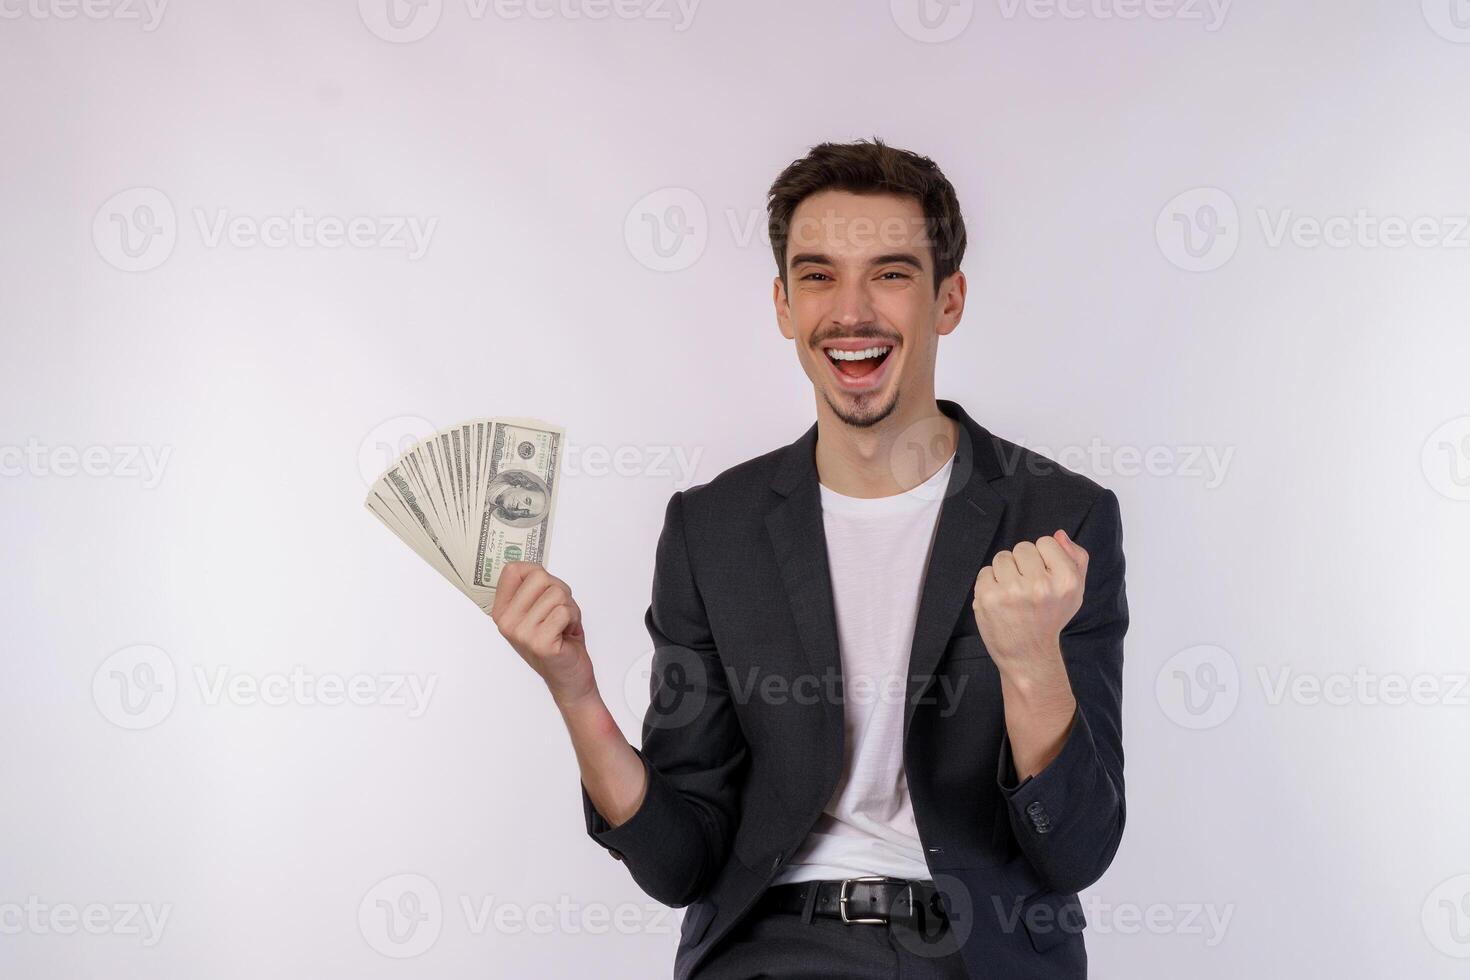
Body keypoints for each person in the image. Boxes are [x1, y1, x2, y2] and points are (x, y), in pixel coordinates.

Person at [490, 137, 1129, 980]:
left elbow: (1076, 852)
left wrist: (1033, 666)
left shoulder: (1058, 518)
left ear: (949, 299)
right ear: (785, 305)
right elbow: (679, 863)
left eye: (892, 273)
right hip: (774, 949)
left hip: (984, 954)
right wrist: (573, 692)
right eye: (819, 275)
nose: (851, 312)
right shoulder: (711, 529)